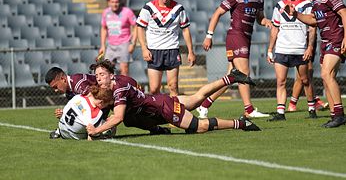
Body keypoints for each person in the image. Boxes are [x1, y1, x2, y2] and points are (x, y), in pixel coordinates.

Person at [86, 59, 260, 137]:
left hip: (164, 108)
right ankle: (231, 77)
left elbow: (118, 117)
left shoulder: (119, 89)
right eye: (97, 75)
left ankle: (242, 123)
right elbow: (136, 88)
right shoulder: (123, 80)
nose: (98, 78)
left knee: (198, 127)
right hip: (159, 102)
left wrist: (96, 130)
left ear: (111, 75)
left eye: (102, 74)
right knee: (197, 98)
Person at [197, 0, 272, 119]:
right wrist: (209, 35)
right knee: (244, 73)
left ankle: (204, 105)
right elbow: (217, 13)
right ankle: (249, 109)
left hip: (247, 38)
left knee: (231, 77)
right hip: (236, 36)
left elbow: (260, 18)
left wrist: (267, 22)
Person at [286, 0, 346, 128]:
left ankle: (340, 115)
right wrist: (296, 14)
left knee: (327, 74)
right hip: (325, 42)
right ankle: (335, 116)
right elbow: (314, 20)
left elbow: (344, 13)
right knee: (327, 79)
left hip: (336, 39)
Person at [45, 66, 171, 137]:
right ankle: (158, 129)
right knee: (130, 120)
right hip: (108, 100)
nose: (56, 90)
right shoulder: (69, 90)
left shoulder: (78, 84)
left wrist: (99, 126)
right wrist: (66, 114)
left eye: (56, 87)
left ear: (62, 79)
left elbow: (93, 103)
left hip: (120, 91)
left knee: (138, 112)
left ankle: (168, 114)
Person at [266, 0, 317, 121]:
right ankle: (280, 113)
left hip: (300, 49)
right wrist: (270, 49)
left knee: (305, 80)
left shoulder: (306, 5)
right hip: (282, 49)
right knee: (280, 82)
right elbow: (275, 29)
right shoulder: (279, 6)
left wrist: (310, 47)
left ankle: (312, 109)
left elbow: (312, 28)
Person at [137, 0, 196, 96]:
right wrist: (144, 48)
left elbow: (185, 30)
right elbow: (140, 28)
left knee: (173, 86)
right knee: (154, 89)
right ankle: (158, 113)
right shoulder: (148, 8)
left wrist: (190, 51)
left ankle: (175, 114)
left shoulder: (178, 9)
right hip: (154, 51)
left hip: (172, 50)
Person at [288, 0, 328, 112]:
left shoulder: (317, 0)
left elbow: (314, 25)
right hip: (301, 40)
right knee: (306, 72)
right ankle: (311, 101)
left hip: (311, 39)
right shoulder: (302, 1)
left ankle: (294, 104)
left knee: (305, 74)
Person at [98, 0, 138, 76]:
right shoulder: (106, 12)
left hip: (124, 44)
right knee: (106, 70)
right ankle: (110, 89)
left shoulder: (127, 12)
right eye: (112, 2)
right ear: (109, 2)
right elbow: (104, 28)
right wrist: (102, 45)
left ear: (119, 2)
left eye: (116, 2)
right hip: (110, 45)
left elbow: (136, 26)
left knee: (124, 70)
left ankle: (124, 88)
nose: (114, 4)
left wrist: (133, 43)